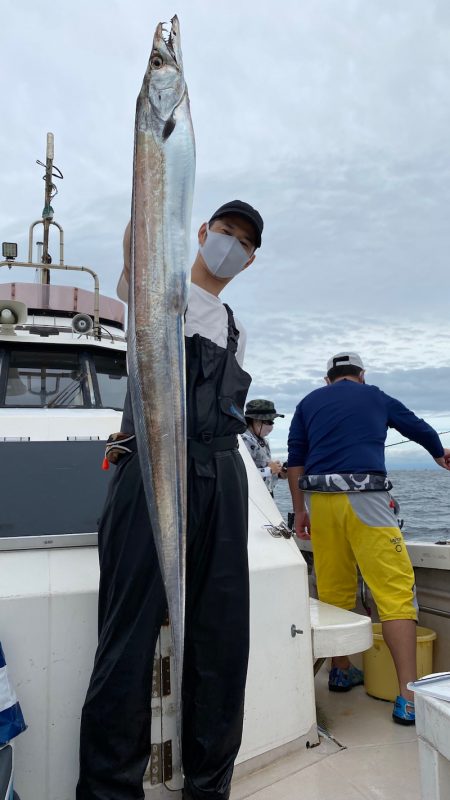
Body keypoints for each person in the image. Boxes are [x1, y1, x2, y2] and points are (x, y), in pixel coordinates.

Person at [77, 200, 264, 800]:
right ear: (202, 232)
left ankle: (209, 788)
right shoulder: (158, 290)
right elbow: (136, 255)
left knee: (221, 640)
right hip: (153, 462)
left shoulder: (235, 326)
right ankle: (108, 791)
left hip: (222, 475)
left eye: (243, 243)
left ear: (251, 259)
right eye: (223, 233)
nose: (229, 247)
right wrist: (149, 196)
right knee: (126, 639)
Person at [287, 351, 450, 726]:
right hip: (368, 498)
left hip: (321, 503)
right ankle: (407, 697)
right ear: (360, 374)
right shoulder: (375, 395)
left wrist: (300, 512)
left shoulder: (308, 402)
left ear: (329, 378)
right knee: (394, 592)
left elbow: (296, 459)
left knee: (334, 590)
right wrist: (438, 453)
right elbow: (417, 426)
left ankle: (341, 671)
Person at [241, 399, 287, 495]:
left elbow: (263, 469)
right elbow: (240, 475)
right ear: (257, 421)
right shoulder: (243, 441)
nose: (271, 427)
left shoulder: (261, 441)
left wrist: (279, 473)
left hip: (264, 495)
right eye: (269, 422)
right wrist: (269, 470)